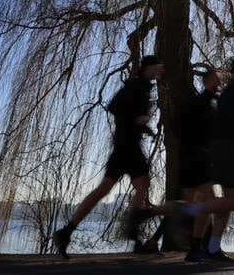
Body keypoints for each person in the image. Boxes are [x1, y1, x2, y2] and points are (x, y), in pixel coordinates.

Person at [52, 55, 162, 259]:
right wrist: (138, 119)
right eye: (157, 66)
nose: (160, 70)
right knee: (141, 183)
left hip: (125, 144)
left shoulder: (143, 86)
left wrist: (145, 127)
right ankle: (133, 231)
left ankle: (66, 232)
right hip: (127, 145)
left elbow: (128, 113)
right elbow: (114, 106)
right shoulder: (137, 85)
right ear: (149, 67)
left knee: (107, 189)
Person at [172, 54, 234, 263]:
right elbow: (226, 121)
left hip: (217, 149)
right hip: (221, 149)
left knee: (225, 203)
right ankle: (190, 210)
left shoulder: (223, 95)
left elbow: (219, 121)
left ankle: (210, 247)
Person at [145, 67, 221, 257]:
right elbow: (183, 128)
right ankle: (201, 246)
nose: (219, 83)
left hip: (191, 161)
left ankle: (154, 234)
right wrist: (201, 147)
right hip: (195, 163)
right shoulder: (198, 104)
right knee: (204, 204)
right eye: (215, 79)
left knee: (186, 205)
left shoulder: (205, 103)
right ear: (206, 81)